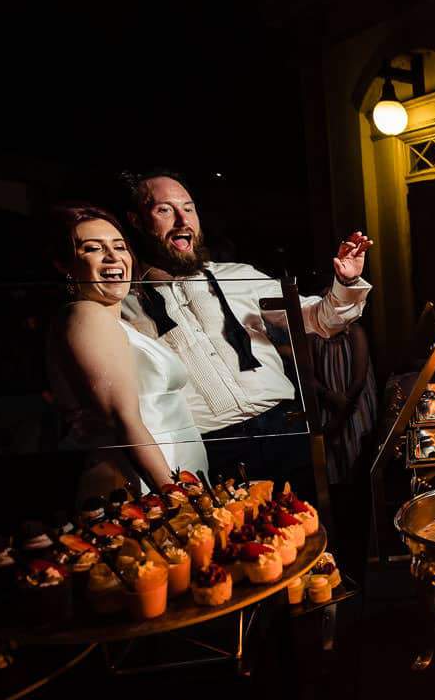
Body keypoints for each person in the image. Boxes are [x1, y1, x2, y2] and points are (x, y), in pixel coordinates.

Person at [118, 169, 373, 488]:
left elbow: (320, 318)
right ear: (137, 221)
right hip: (207, 448)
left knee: (310, 530)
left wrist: (346, 282)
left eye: (188, 208)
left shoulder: (239, 276)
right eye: (165, 210)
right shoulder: (123, 306)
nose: (183, 221)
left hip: (284, 431)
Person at [44, 204, 209, 499]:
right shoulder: (87, 316)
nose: (113, 257)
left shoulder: (117, 323)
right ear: (64, 265)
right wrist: (175, 494)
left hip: (171, 471)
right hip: (148, 481)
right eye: (93, 249)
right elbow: (124, 421)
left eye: (119, 246)